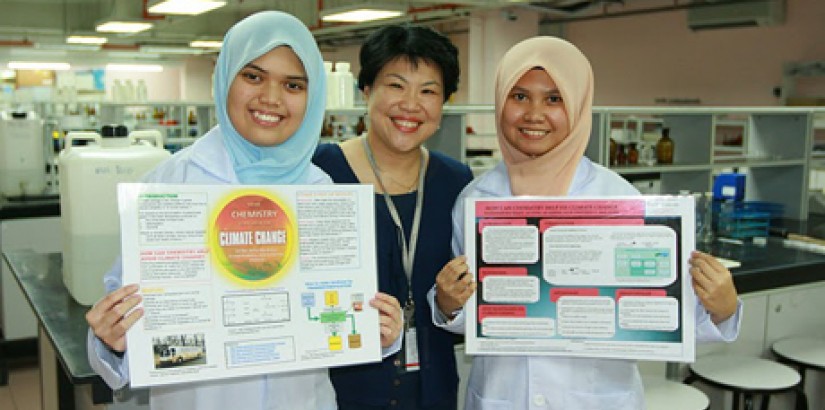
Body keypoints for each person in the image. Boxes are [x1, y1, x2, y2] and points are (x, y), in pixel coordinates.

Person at [85, 11, 402, 410]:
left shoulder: (321, 191)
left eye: (292, 84)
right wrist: (111, 339)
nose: (271, 97)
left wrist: (378, 328)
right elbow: (125, 329)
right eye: (253, 76)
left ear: (312, 95)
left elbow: (337, 318)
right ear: (225, 79)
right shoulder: (170, 184)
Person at [429, 36, 742, 409]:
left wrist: (722, 307)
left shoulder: (619, 197)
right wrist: (448, 304)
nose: (534, 114)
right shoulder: (476, 199)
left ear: (578, 106)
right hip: (504, 396)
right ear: (500, 102)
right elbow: (475, 314)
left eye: (554, 99)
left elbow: (661, 311)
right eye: (519, 96)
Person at [313, 24, 473, 410]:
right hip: (342, 388)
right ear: (366, 90)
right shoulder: (320, 174)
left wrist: (452, 304)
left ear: (444, 102)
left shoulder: (456, 181)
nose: (411, 105)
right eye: (396, 86)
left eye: (428, 91)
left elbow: (465, 296)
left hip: (433, 388)